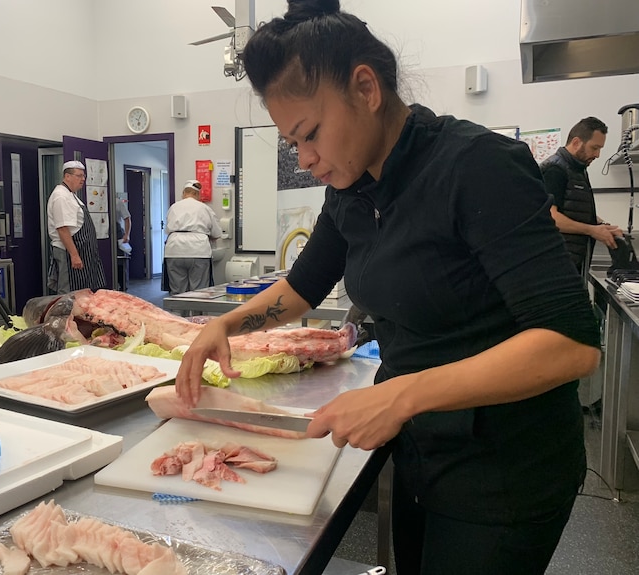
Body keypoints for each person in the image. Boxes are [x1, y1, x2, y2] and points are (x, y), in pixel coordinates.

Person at [174, 1, 601, 573]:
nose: (305, 161)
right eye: (291, 145)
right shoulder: (351, 189)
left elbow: (571, 343)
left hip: (505, 469)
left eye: (310, 135)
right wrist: (224, 325)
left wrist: (399, 396)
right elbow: (302, 288)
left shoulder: (478, 166)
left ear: (366, 88)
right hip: (421, 452)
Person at [541, 117, 623, 278]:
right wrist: (592, 230)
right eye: (594, 148)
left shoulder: (577, 169)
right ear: (577, 142)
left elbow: (574, 209)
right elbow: (551, 217)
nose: (598, 154)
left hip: (571, 262)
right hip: (555, 267)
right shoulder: (555, 169)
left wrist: (602, 225)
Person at [46, 160, 106, 293]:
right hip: (68, 252)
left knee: (82, 292)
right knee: (68, 293)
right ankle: (65, 315)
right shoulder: (61, 196)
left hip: (82, 251)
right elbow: (62, 229)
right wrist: (74, 255)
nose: (83, 179)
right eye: (79, 176)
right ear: (67, 176)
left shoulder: (71, 195)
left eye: (83, 176)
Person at [163, 179, 222, 295]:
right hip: (199, 252)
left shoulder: (174, 207)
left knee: (177, 291)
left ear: (184, 193)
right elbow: (216, 234)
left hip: (174, 251)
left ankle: (177, 312)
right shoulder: (204, 208)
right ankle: (198, 312)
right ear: (198, 194)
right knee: (199, 291)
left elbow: (168, 230)